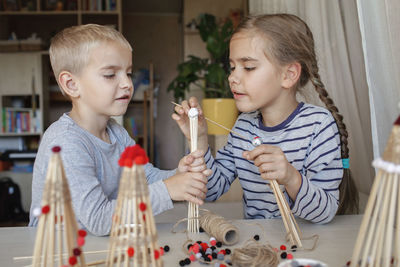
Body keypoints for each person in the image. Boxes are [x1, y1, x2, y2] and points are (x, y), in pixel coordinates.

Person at [173, 14, 358, 224]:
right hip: (261, 246)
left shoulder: (318, 126)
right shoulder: (244, 126)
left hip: (308, 246)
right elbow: (211, 190)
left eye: (249, 67)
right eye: (232, 67)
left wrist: (291, 177)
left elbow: (325, 212)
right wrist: (200, 139)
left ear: (288, 74)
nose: (232, 77)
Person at [29, 24, 211, 236]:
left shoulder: (115, 131)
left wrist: (178, 175)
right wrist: (169, 189)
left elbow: (145, 177)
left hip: (98, 243)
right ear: (71, 84)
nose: (127, 83)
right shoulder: (65, 143)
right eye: (110, 75)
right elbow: (99, 220)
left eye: (128, 73)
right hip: (56, 249)